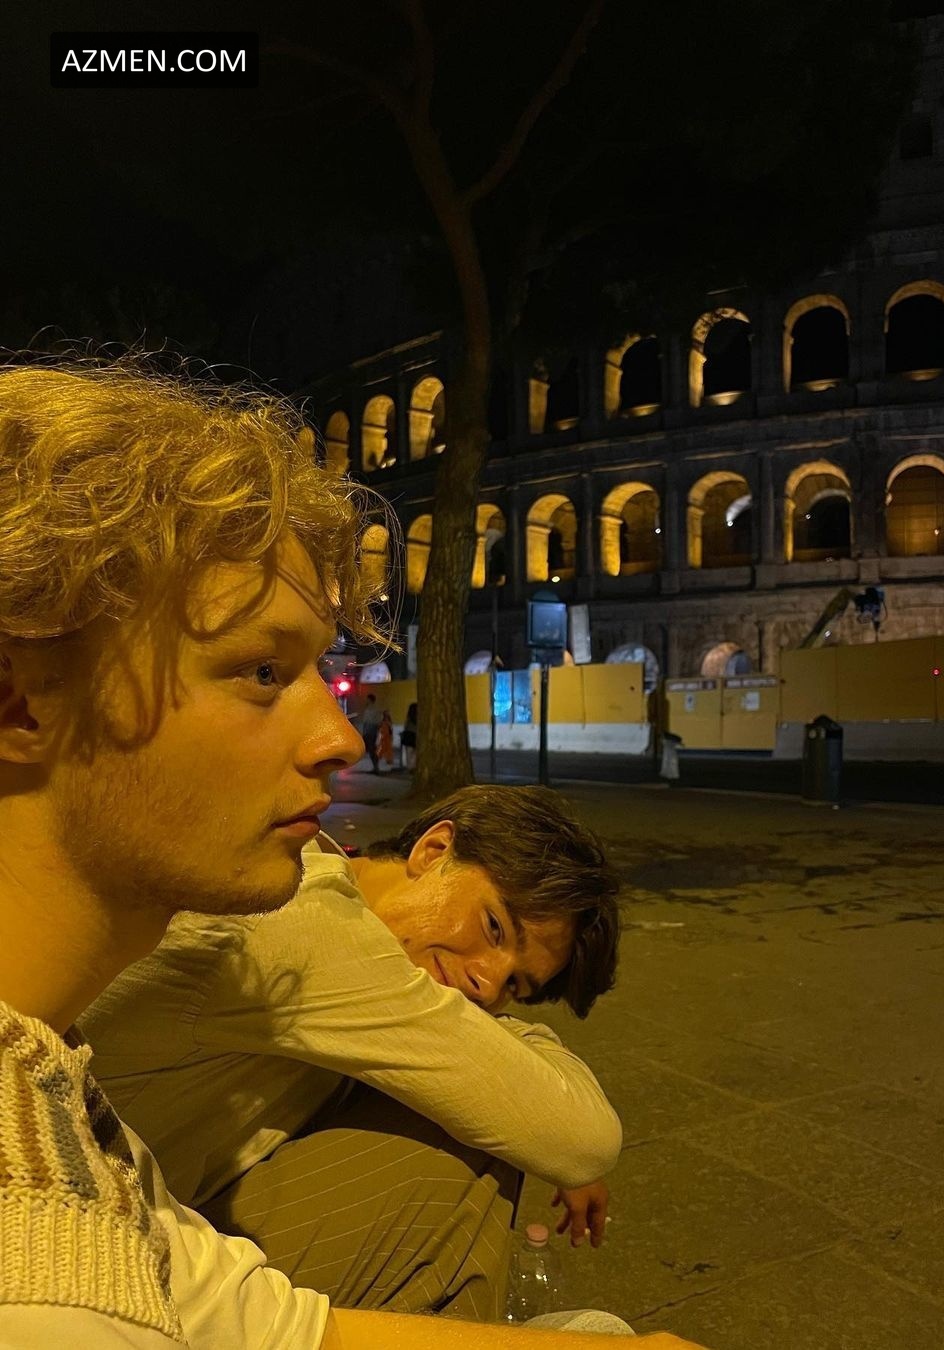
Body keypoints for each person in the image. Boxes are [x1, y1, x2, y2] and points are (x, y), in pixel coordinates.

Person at [0, 358, 705, 1350]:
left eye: (517, 986)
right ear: (20, 697)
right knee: (461, 1146)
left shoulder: (49, 1077)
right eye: (262, 670)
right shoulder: (50, 1274)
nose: (341, 739)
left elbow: (246, 1313)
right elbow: (576, 1130)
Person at [81, 785, 622, 1319]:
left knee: (478, 1113)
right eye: (495, 927)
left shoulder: (324, 886)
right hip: (97, 1259)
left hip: (141, 1205)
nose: (487, 983)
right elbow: (585, 1138)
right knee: (461, 1163)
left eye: (515, 986)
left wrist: (527, 1099)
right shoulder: (309, 926)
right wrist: (537, 1094)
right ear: (433, 850)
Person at [359, 691, 382, 773]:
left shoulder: (374, 709)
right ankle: (375, 767)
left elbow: (377, 722)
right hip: (367, 730)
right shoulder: (367, 709)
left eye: (367, 699)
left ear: (370, 700)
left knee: (372, 749)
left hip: (371, 730)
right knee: (370, 749)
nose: (366, 701)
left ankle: (376, 768)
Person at [401, 699, 418, 769]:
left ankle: (410, 767)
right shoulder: (418, 718)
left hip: (408, 736)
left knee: (408, 753)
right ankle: (414, 766)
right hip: (415, 735)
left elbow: (405, 726)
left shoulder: (409, 717)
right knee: (415, 753)